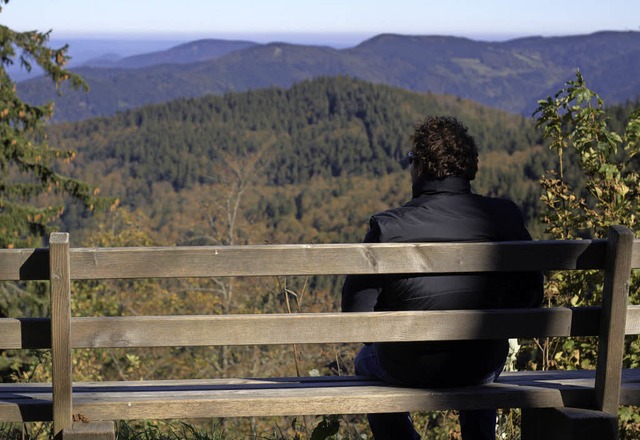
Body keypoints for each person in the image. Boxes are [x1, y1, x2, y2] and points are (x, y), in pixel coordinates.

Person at [341, 115, 543, 440]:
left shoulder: (388, 228)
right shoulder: (505, 218)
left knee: (365, 359)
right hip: (481, 364)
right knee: (480, 350)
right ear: (469, 166)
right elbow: (530, 297)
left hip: (406, 366)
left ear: (419, 168)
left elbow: (356, 317)